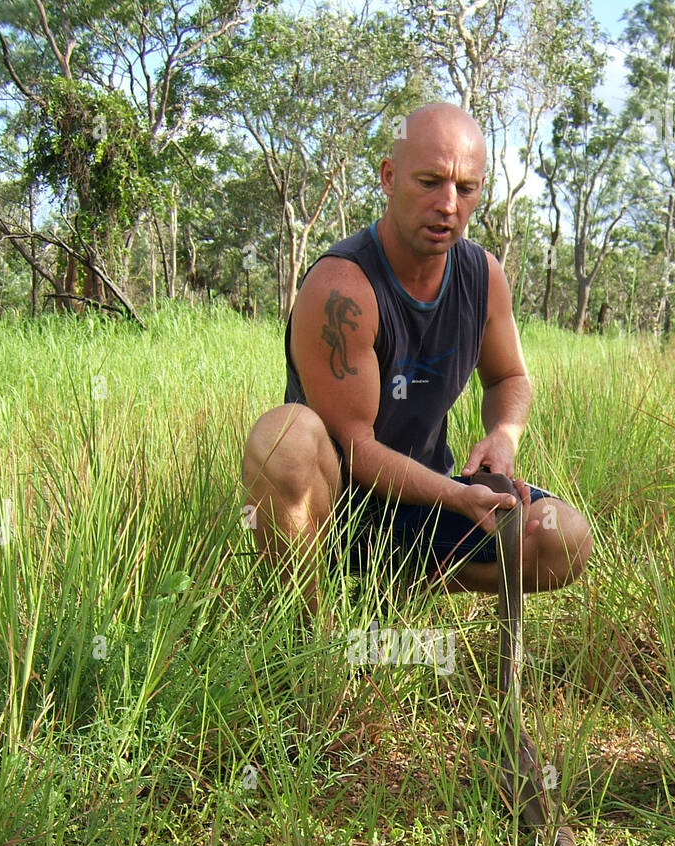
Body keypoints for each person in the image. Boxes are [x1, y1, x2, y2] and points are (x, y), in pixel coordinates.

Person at [241, 102, 592, 611]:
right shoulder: (342, 287)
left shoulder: (482, 277)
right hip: (338, 508)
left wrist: (503, 436)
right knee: (283, 440)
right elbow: (358, 448)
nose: (448, 204)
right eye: (429, 182)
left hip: (426, 500)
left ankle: (400, 589)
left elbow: (510, 377)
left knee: (567, 537)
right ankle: (307, 631)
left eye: (465, 188)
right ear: (388, 178)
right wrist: (457, 496)